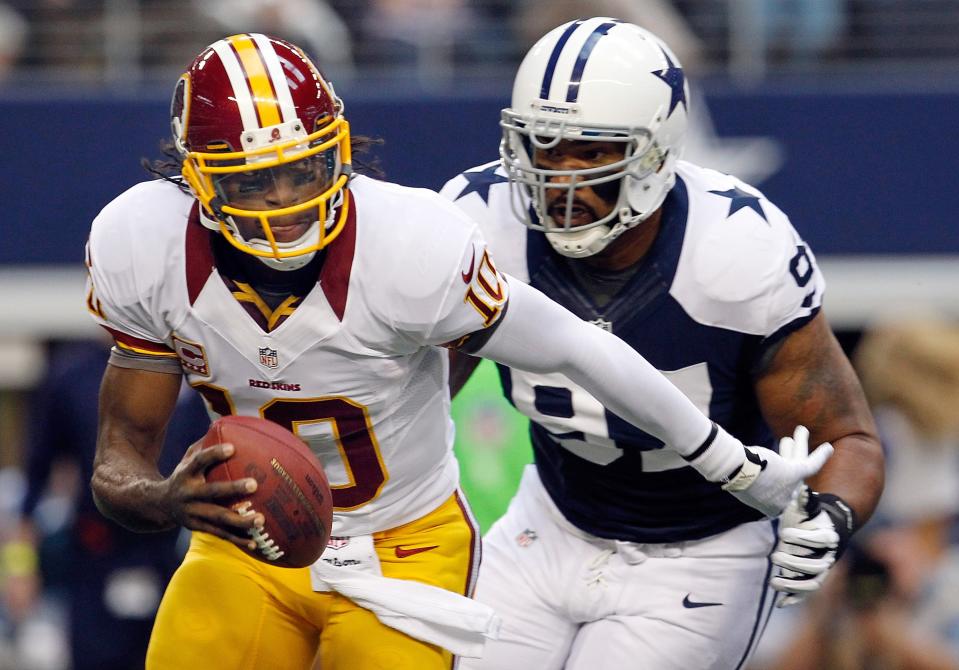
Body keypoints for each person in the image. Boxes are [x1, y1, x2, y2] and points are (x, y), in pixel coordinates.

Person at [85, 33, 829, 670]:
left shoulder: (410, 243)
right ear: (196, 181)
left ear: (338, 149)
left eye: (305, 169)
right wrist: (167, 501)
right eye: (253, 181)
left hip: (404, 542)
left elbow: (574, 344)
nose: (284, 199)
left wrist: (728, 462)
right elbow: (118, 458)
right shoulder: (141, 243)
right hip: (248, 542)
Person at [439, 18, 883, 669]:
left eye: (590, 154)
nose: (559, 179)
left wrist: (830, 518)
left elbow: (848, 439)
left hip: (702, 549)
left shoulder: (736, 251)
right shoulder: (480, 221)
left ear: (652, 154)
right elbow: (414, 394)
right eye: (544, 146)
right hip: (550, 520)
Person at [2, 339, 208, 670]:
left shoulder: (198, 375)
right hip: (97, 550)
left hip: (176, 554)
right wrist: (19, 567)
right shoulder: (74, 375)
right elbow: (34, 480)